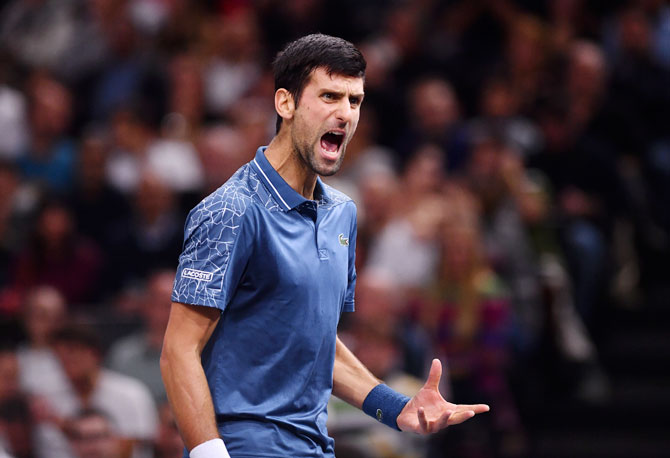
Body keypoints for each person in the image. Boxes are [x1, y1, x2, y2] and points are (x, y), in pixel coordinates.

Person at [160, 34, 489, 458]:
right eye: (330, 96)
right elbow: (178, 351)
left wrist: (396, 408)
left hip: (315, 447)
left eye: (355, 100)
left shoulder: (343, 214)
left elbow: (314, 342)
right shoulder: (231, 211)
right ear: (285, 104)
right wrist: (210, 453)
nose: (345, 114)